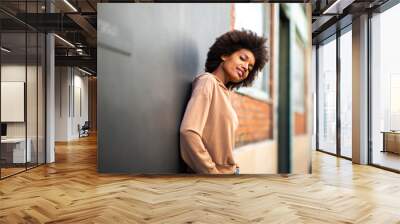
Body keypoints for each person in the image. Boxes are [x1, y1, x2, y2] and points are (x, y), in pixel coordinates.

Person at [180, 29, 268, 174]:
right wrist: (212, 172)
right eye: (243, 58)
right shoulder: (208, 82)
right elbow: (189, 132)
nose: (246, 67)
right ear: (225, 54)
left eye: (250, 67)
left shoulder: (224, 93)